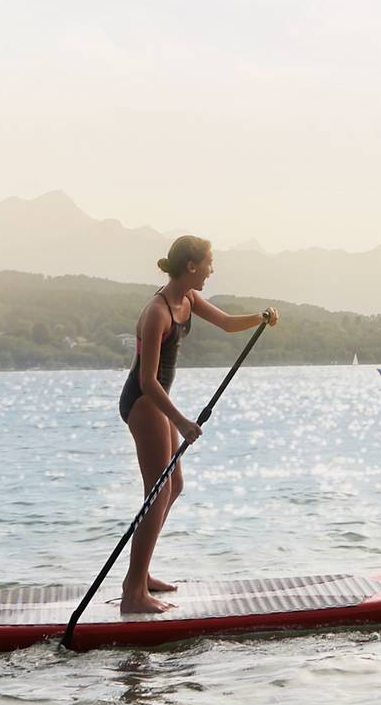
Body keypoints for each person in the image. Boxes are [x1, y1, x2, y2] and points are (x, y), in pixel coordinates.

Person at [117, 235, 278, 613]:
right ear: (191, 266)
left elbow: (224, 322)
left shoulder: (188, 298)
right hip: (144, 402)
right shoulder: (158, 311)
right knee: (157, 491)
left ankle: (140, 576)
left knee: (173, 487)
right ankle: (133, 593)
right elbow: (147, 381)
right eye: (209, 262)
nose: (212, 269)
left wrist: (260, 318)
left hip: (157, 403)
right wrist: (183, 421)